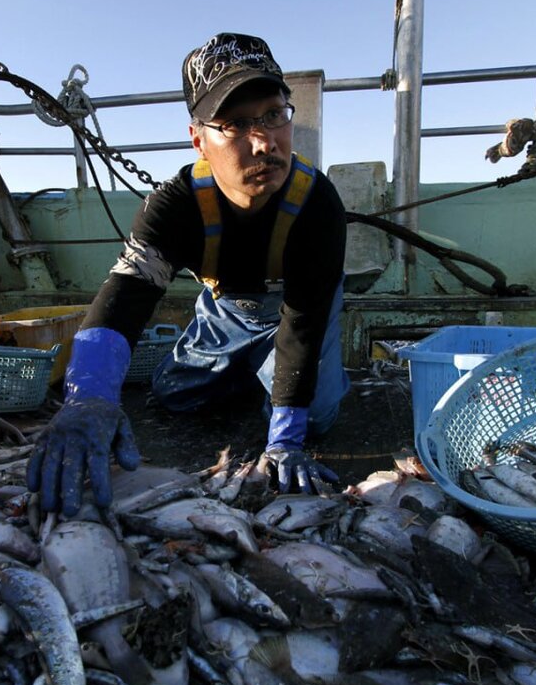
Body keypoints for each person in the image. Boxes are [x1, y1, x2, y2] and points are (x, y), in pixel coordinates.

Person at [27, 32, 350, 516]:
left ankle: (274, 382)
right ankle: (247, 372)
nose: (264, 142)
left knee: (315, 417)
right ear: (199, 138)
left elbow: (303, 325)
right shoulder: (175, 204)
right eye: (237, 124)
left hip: (296, 314)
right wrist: (88, 395)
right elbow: (127, 292)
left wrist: (284, 440)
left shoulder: (318, 205)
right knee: (173, 395)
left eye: (273, 115)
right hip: (225, 314)